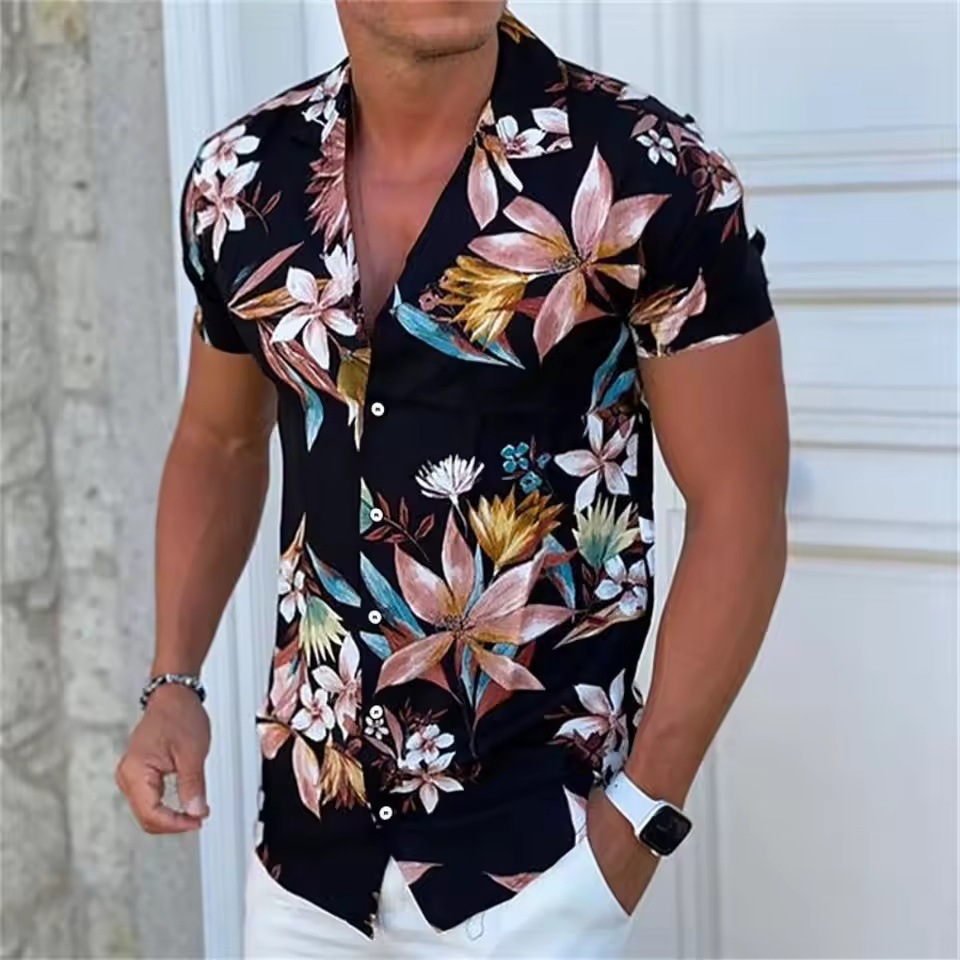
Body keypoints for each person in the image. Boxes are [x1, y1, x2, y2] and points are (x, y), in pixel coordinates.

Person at [116, 1, 788, 956]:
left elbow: (741, 505)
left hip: (537, 860)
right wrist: (173, 681)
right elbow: (217, 444)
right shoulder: (242, 180)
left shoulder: (649, 171)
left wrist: (642, 816)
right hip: (308, 850)